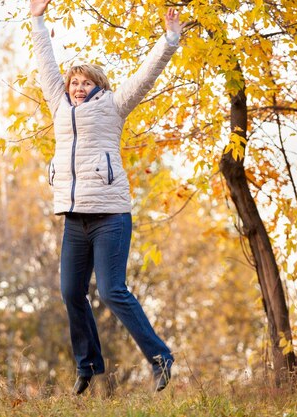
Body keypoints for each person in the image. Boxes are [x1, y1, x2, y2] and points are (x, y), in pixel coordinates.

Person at [29, 0, 185, 395]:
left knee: (112, 290)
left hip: (110, 216)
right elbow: (46, 63)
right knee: (70, 291)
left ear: (98, 85)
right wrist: (36, 17)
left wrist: (168, 41)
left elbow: (146, 77)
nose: (77, 88)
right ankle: (88, 365)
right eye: (73, 83)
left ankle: (160, 358)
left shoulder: (114, 106)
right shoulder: (59, 106)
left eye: (85, 82)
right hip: (74, 217)